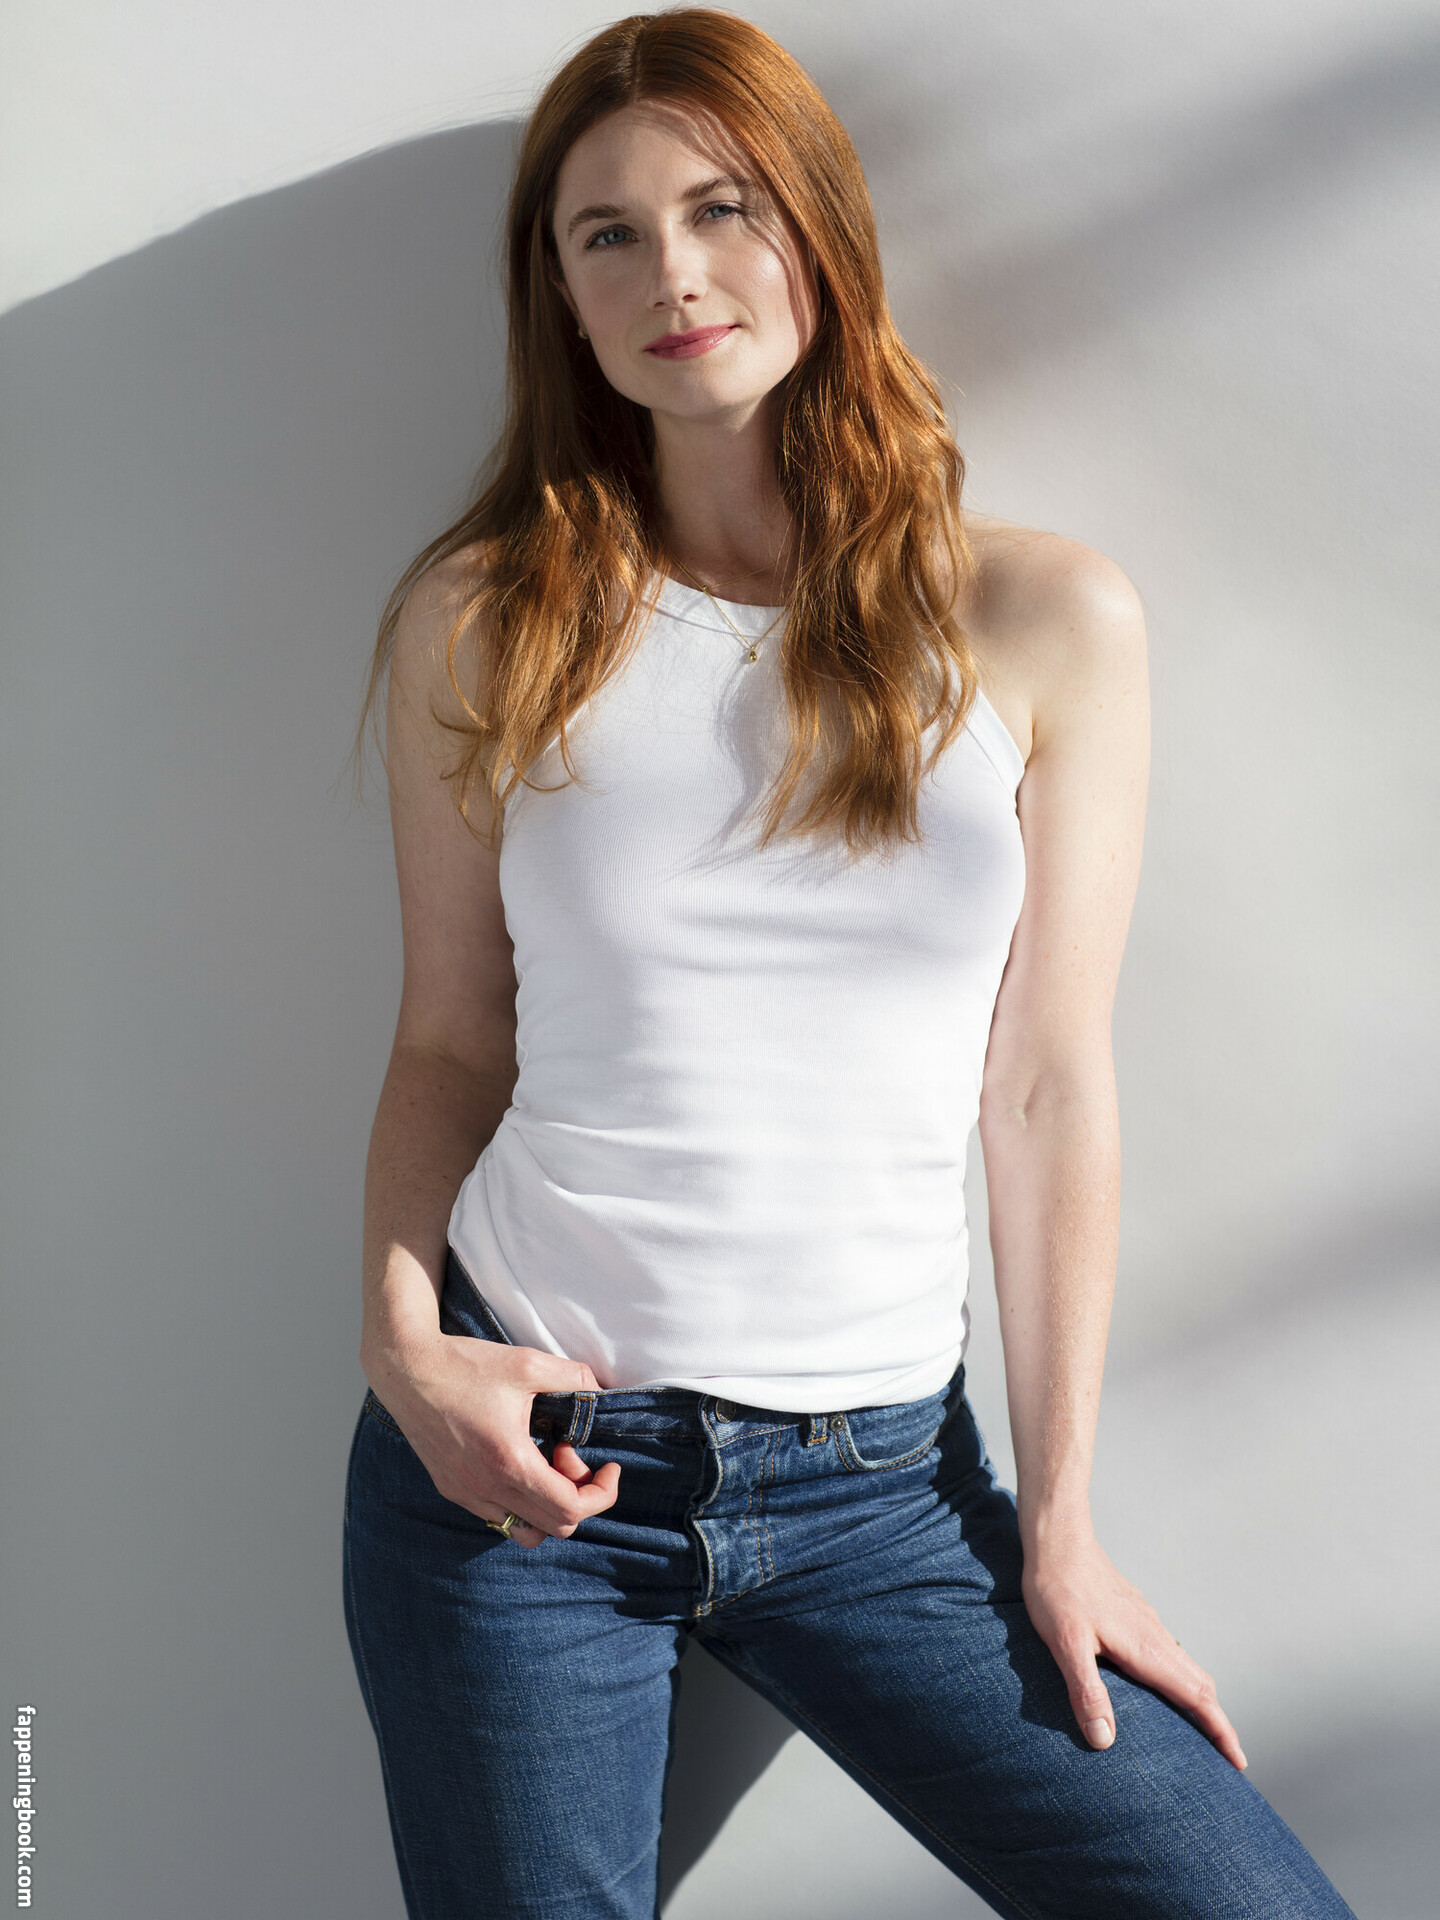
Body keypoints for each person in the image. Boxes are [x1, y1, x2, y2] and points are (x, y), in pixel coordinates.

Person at [342, 11, 1355, 1917]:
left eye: (722, 208)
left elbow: (1045, 1086)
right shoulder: (486, 621)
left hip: (883, 1493)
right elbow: (453, 1041)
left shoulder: (1040, 617)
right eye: (608, 234)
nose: (674, 273)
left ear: (818, 229)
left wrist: (1062, 1526)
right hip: (521, 1472)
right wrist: (406, 1353)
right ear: (560, 297)